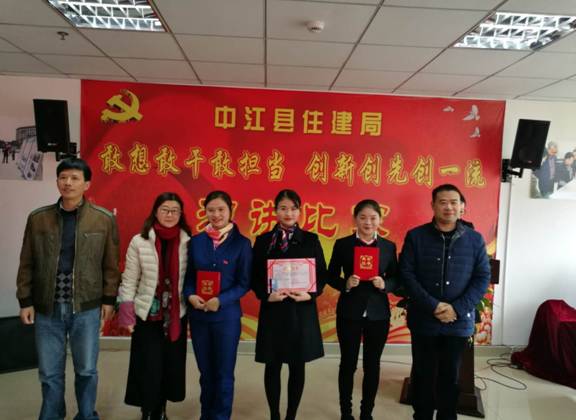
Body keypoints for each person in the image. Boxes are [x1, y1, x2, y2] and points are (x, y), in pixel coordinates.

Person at [16, 157, 120, 420]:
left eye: (75, 178)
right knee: (49, 372)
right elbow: (27, 261)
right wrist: (25, 300)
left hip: (86, 307)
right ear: (57, 182)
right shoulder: (38, 218)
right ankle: (51, 414)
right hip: (47, 308)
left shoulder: (103, 219)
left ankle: (86, 415)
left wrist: (109, 300)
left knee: (86, 370)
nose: (68, 183)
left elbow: (110, 265)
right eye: (63, 177)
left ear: (87, 184)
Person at [399, 184, 490, 420]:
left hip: (457, 323)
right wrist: (434, 305)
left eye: (454, 202)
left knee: (450, 377)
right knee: (423, 375)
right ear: (433, 206)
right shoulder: (416, 236)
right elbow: (407, 274)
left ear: (462, 207)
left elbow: (482, 277)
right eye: (443, 202)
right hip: (424, 320)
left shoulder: (475, 240)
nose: (448, 207)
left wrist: (456, 308)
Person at [251, 189, 328, 420]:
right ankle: (274, 415)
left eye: (293, 208)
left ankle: (291, 415)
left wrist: (310, 294)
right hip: (273, 311)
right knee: (272, 365)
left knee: (297, 366)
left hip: (300, 312)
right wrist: (266, 295)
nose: (288, 213)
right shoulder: (264, 241)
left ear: (300, 211)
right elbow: (253, 276)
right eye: (283, 208)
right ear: (275, 211)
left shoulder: (311, 239)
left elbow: (321, 275)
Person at [117, 192, 192, 420]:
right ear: (155, 212)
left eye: (175, 211)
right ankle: (148, 410)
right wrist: (127, 315)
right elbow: (129, 280)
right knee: (148, 365)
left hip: (176, 315)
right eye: (165, 210)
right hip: (148, 314)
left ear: (181, 214)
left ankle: (161, 410)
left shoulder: (188, 241)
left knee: (169, 365)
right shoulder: (139, 241)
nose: (170, 215)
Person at [183, 191, 252, 420]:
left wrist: (220, 300)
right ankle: (206, 415)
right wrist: (190, 295)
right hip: (199, 317)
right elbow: (189, 278)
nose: (216, 214)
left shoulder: (242, 244)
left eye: (221, 209)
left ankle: (221, 416)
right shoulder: (196, 242)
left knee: (223, 374)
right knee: (206, 373)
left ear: (230, 210)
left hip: (227, 318)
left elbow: (244, 283)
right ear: (205, 212)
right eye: (211, 210)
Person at [328, 199, 399, 420]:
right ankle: (346, 412)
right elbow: (330, 275)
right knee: (347, 363)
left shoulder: (388, 247)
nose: (368, 222)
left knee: (372, 365)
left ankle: (366, 413)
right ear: (355, 219)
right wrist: (346, 283)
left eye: (373, 218)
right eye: (363, 217)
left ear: (380, 220)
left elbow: (397, 278)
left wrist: (385, 284)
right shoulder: (343, 245)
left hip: (378, 314)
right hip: (349, 312)